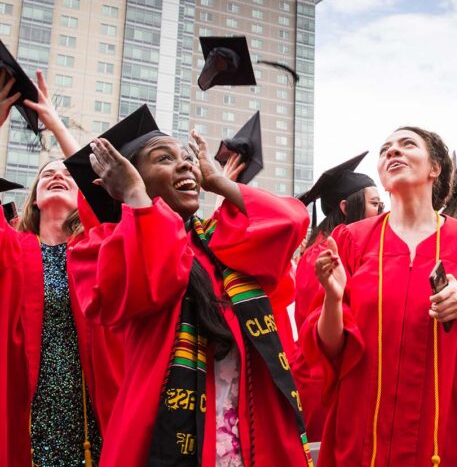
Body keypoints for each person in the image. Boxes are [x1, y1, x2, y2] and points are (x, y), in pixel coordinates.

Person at [66, 106, 313, 467]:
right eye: (164, 158)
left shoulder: (221, 243)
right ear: (127, 178)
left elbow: (290, 221)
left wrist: (219, 182)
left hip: (249, 439)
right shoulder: (103, 246)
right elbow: (154, 282)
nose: (185, 165)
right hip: (163, 437)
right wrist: (136, 198)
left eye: (187, 158)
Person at [301, 126, 457, 467]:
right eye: (385, 149)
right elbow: (329, 355)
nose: (392, 152)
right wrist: (333, 302)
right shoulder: (351, 241)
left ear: (435, 167)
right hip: (362, 437)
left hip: (442, 439)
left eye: (407, 144)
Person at [0, 68, 121, 467]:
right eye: (47, 174)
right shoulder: (14, 249)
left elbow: (105, 195)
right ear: (33, 199)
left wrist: (54, 123)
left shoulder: (94, 249)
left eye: (67, 175)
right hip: (26, 410)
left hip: (89, 413)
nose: (56, 175)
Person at [292, 153, 382, 441]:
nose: (381, 212)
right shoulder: (323, 255)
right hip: (323, 378)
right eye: (374, 204)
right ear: (345, 206)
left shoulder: (337, 249)